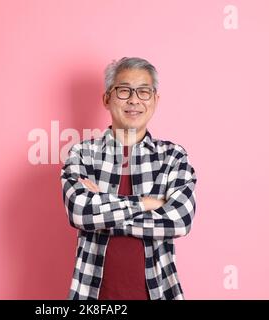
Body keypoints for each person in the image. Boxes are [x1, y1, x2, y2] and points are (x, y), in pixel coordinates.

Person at [60, 57, 197, 300]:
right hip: (92, 295)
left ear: (155, 100)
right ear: (106, 99)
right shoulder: (82, 154)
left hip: (158, 293)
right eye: (124, 91)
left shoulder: (173, 157)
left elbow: (179, 221)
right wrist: (146, 203)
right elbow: (80, 213)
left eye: (143, 92)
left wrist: (102, 207)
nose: (134, 100)